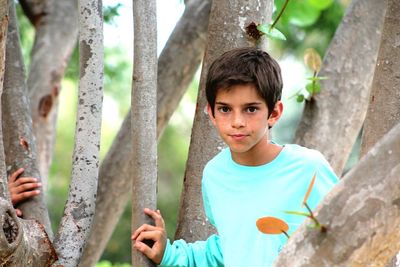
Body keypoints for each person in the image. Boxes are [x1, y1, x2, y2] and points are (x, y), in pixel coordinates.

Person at [132, 47, 338, 267]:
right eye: (225, 109)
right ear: (211, 113)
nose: (237, 121)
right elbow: (231, 249)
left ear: (274, 113)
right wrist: (169, 255)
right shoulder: (214, 175)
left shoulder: (308, 169)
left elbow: (345, 235)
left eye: (250, 109)